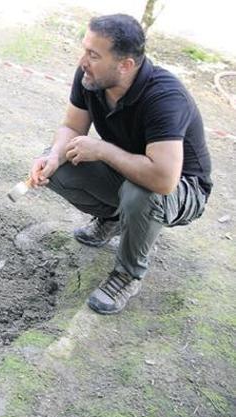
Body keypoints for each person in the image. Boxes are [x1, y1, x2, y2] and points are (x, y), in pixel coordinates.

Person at [28, 14, 212, 314]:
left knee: (141, 194)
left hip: (182, 188)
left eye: (93, 55)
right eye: (84, 49)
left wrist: (102, 150)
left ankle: (127, 274)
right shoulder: (91, 76)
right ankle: (114, 220)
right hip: (130, 171)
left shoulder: (165, 97)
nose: (82, 60)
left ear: (125, 65)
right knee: (59, 164)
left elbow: (164, 180)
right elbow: (72, 128)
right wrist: (53, 156)